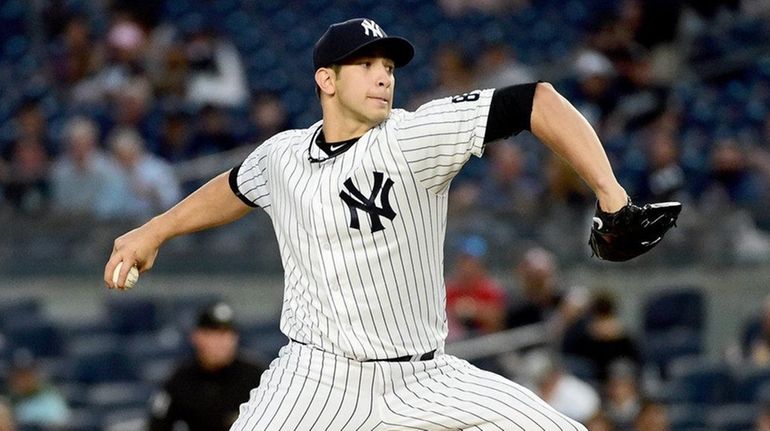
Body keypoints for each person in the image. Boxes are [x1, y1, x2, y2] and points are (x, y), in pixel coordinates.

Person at [106, 17, 630, 429]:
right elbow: (235, 187)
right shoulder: (283, 156)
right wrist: (156, 230)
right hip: (316, 378)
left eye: (389, 66)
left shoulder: (413, 138)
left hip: (424, 377)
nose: (384, 75)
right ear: (325, 79)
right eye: (366, 64)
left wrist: (612, 196)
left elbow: (538, 100)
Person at [148, 301, 265, 431]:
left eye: (227, 334)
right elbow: (157, 425)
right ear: (197, 337)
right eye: (214, 333)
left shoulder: (256, 376)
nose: (222, 342)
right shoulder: (180, 379)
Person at [6, 349, 70, 428]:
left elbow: (58, 422)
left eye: (26, 374)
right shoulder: (9, 396)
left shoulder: (49, 396)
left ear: (35, 374)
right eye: (17, 374)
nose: (21, 379)